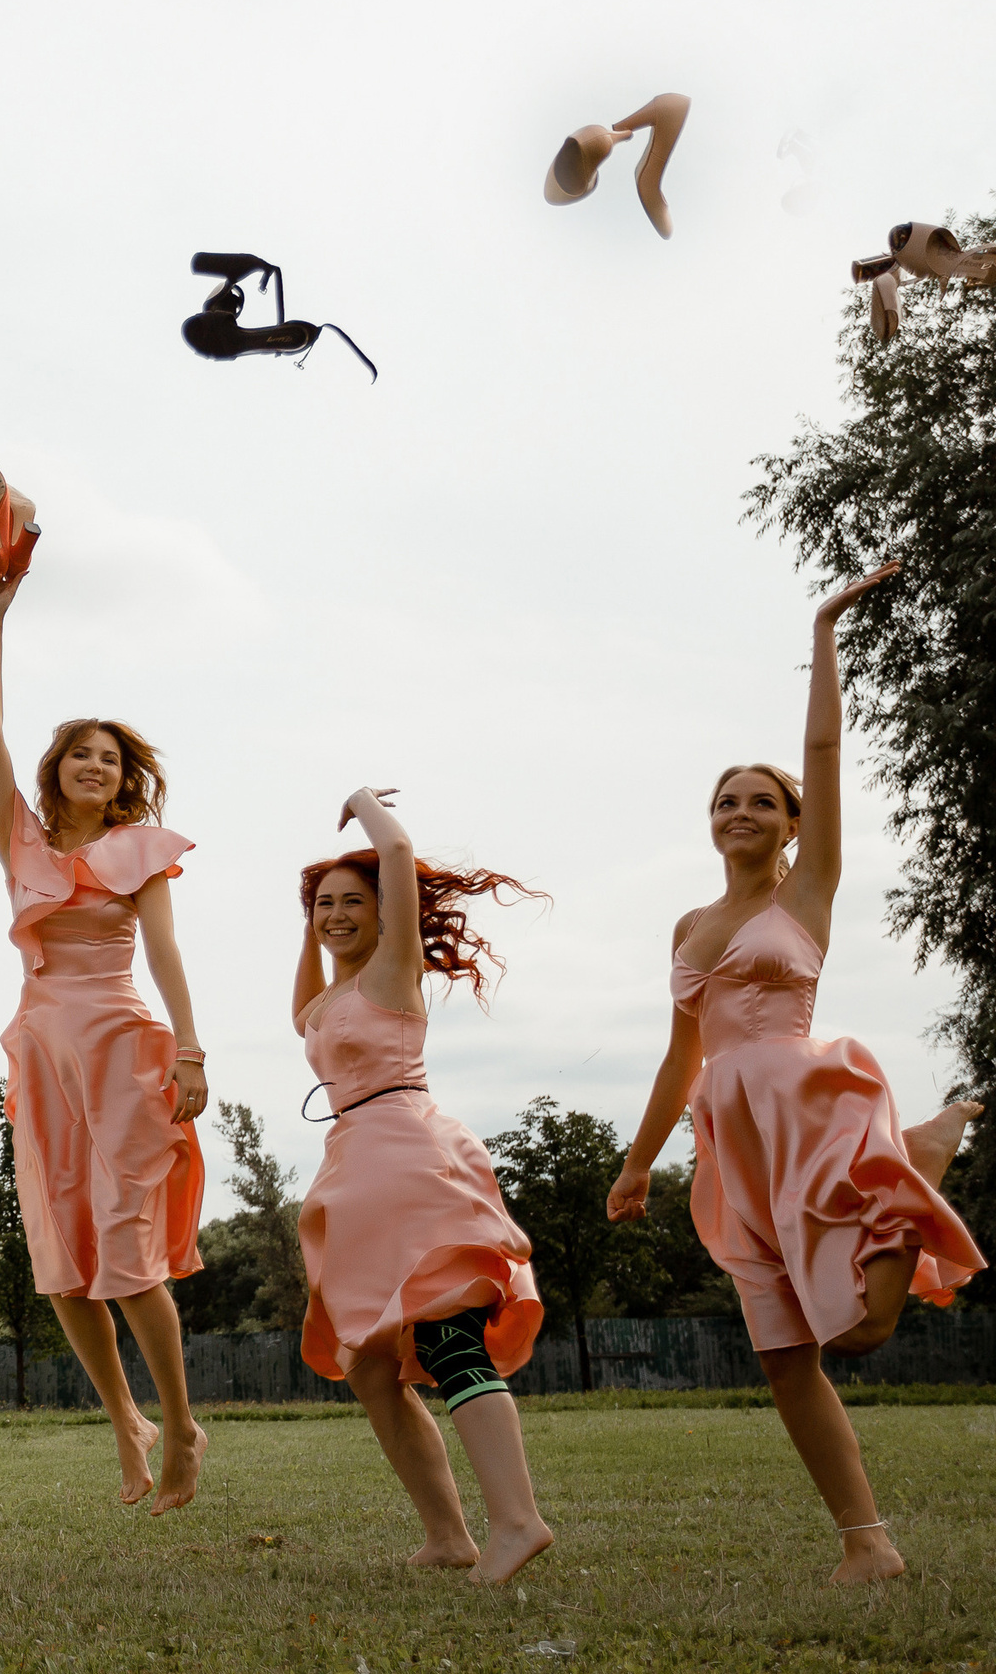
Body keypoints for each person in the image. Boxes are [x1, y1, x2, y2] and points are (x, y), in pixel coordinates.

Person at [608, 562, 982, 1585]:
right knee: (785, 1355)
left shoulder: (805, 893)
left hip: (805, 1103)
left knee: (860, 1328)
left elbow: (822, 746)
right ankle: (869, 1547)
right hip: (728, 1133)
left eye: (760, 801)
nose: (739, 810)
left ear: (789, 824)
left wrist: (822, 629)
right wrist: (639, 1163)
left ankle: (914, 1161)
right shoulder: (688, 924)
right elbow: (679, 1052)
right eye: (724, 800)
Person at [0, 566, 208, 1511]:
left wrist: (190, 1049)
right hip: (41, 1049)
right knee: (63, 1261)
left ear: (125, 777)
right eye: (82, 755)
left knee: (126, 1251)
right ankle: (125, 1420)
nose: (97, 767)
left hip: (118, 1043)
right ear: (57, 767)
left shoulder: (140, 850)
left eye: (111, 759)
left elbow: (166, 953)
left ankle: (183, 1423)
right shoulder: (19, 843)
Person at [294, 787, 552, 1584]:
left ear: (384, 916)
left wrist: (362, 805)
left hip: (409, 1154)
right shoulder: (326, 999)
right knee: (371, 1368)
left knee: (445, 1335)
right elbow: (301, 1011)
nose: (337, 914)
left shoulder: (392, 972)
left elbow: (399, 856)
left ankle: (518, 1522)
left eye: (352, 902)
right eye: (324, 905)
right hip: (357, 1164)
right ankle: (449, 1534)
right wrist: (307, 907)